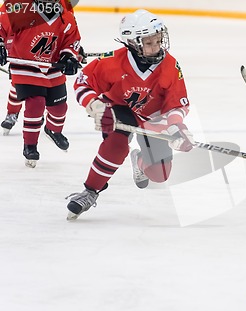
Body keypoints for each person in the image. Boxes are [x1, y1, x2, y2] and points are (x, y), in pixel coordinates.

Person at [66, 9, 194, 220]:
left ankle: (140, 159)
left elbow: (176, 104)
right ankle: (90, 191)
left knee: (160, 174)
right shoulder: (113, 62)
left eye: (158, 40)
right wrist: (96, 107)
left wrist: (177, 128)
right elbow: (83, 82)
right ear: (133, 43)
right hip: (119, 110)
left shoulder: (170, 66)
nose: (157, 47)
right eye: (149, 43)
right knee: (116, 145)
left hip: (153, 118)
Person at [0, 0, 81, 167]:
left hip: (51, 65)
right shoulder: (19, 7)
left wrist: (69, 55)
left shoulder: (65, 12)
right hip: (24, 65)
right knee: (35, 103)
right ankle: (30, 145)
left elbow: (71, 39)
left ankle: (53, 130)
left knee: (59, 108)